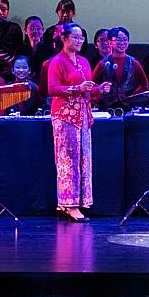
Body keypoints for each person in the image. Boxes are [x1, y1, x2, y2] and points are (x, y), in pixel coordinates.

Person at [47, 22, 98, 221]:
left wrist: (98, 88)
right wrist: (77, 88)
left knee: (83, 159)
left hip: (83, 116)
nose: (79, 41)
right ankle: (69, 203)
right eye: (75, 37)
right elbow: (52, 89)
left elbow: (88, 88)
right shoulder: (57, 61)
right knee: (68, 161)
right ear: (64, 38)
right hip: (64, 115)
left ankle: (76, 202)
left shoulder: (84, 61)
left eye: (81, 38)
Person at [93, 26, 149, 110]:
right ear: (110, 42)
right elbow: (91, 83)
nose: (122, 42)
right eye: (118, 40)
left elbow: (145, 85)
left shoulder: (133, 63)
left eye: (125, 39)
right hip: (107, 106)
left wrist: (133, 96)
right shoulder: (103, 63)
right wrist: (99, 94)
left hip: (128, 106)